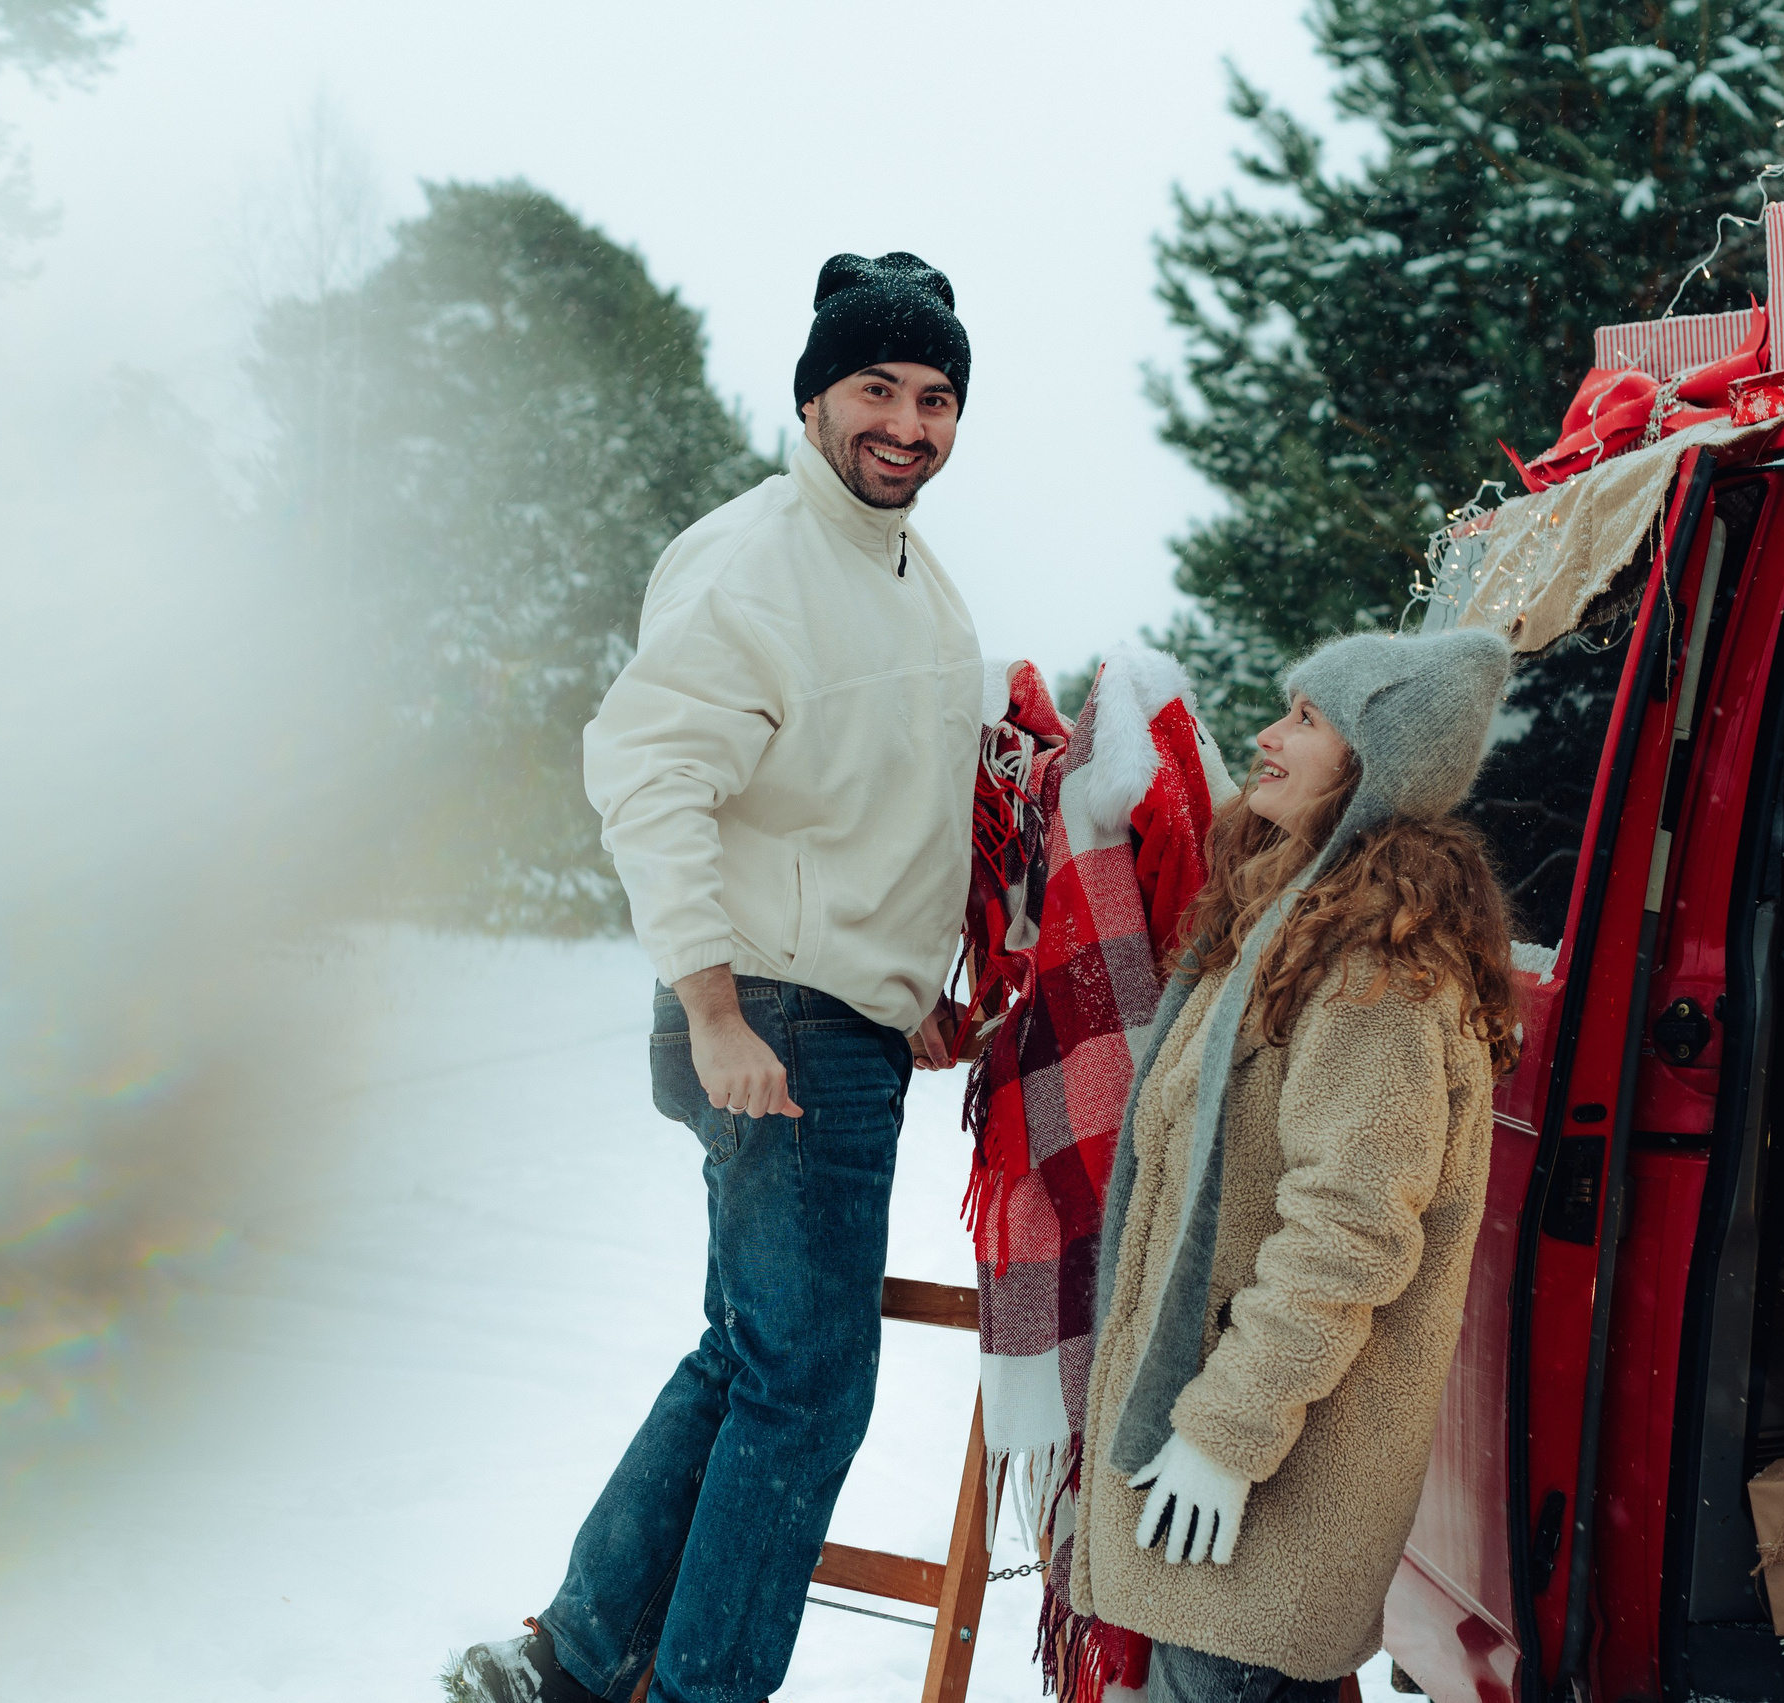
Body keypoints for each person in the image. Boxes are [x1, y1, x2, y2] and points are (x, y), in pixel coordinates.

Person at [457, 252, 983, 1703]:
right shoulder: (762, 558)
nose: (908, 422)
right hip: (770, 1022)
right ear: (813, 397)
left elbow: (867, 800)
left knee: (755, 1353)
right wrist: (713, 1008)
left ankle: (568, 1656)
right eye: (876, 388)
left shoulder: (897, 569)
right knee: (808, 1388)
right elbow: (648, 774)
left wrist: (907, 983)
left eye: (936, 398)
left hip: (829, 1012)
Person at [1067, 628, 1519, 1702]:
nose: (1267, 736)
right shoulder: (1288, 927)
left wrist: (1224, 1434)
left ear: (1371, 764)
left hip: (1260, 1491)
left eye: (1307, 718)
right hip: (1232, 1500)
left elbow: (1352, 1225)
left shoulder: (1377, 963)